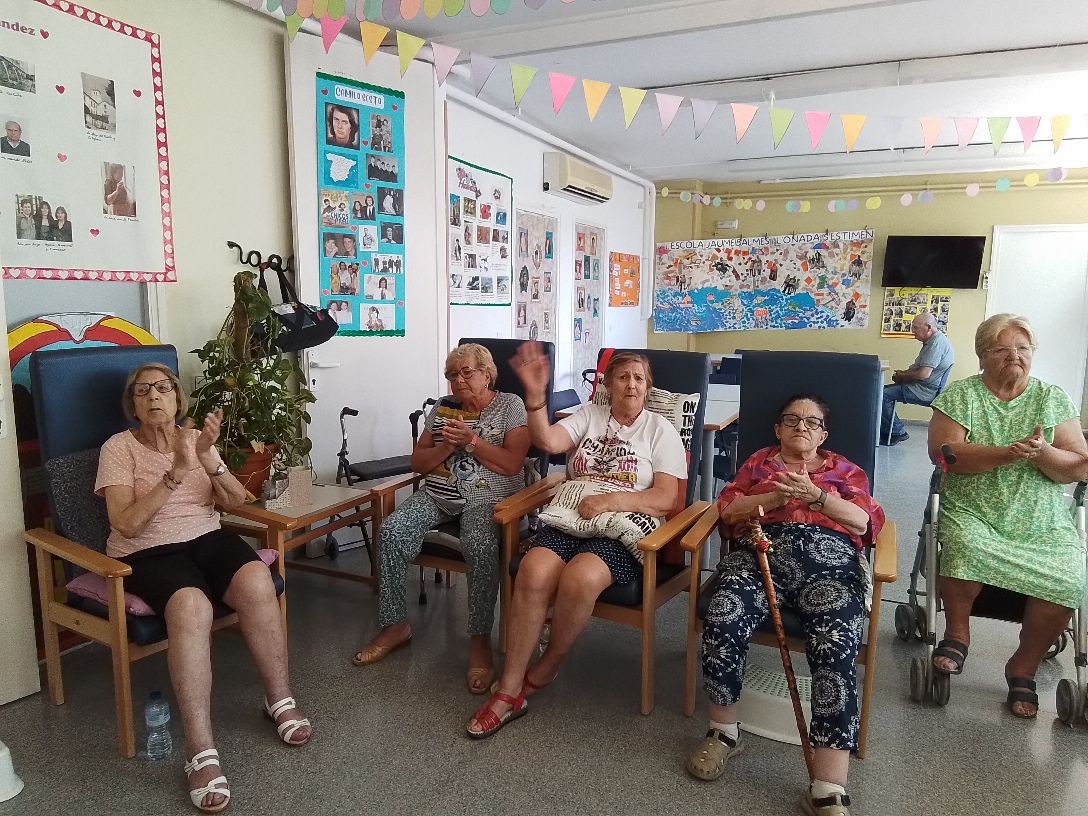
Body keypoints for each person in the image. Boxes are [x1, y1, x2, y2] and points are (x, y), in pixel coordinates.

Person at [95, 364, 311, 812]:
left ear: (178, 399)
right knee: (192, 607)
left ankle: (279, 698)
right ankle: (200, 750)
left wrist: (208, 457)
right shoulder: (118, 448)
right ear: (132, 405)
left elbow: (234, 502)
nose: (154, 396)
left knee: (256, 580)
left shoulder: (196, 439)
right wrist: (174, 472)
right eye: (142, 391)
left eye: (163, 388)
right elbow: (126, 524)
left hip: (207, 538)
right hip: (148, 551)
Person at [466, 344, 687, 738]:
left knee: (581, 578)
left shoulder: (660, 430)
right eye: (623, 377)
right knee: (533, 571)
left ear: (648, 386)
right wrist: (536, 398)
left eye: (639, 378)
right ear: (607, 385)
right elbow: (548, 442)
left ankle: (551, 660)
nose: (631, 385)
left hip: (623, 526)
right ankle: (509, 691)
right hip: (571, 515)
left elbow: (666, 498)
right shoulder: (591, 415)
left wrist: (609, 501)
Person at [685, 394, 884, 816]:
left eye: (812, 422)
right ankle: (723, 732)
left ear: (823, 435)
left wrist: (817, 497)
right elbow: (729, 512)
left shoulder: (845, 470)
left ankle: (828, 784)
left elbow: (864, 522)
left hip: (829, 563)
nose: (801, 427)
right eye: (792, 420)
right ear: (777, 429)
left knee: (835, 641)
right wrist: (772, 498)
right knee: (725, 614)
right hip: (760, 555)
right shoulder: (759, 463)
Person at [928, 313, 1088, 718]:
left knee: (1068, 573)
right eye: (1001, 349)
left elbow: (1079, 465)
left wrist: (1042, 453)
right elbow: (944, 454)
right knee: (965, 545)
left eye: (1022, 348)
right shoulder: (961, 395)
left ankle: (1023, 667)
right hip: (974, 508)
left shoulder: (1051, 397)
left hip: (1041, 519)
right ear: (982, 355)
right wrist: (1006, 453)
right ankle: (958, 634)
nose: (1014, 355)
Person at [353, 344, 529, 695]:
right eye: (451, 375)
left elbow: (512, 464)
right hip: (438, 493)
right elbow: (418, 463)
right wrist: (447, 447)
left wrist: (471, 441)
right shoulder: (443, 407)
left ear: (487, 374)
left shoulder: (511, 405)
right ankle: (395, 625)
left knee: (479, 543)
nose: (458, 380)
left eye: (466, 372)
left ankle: (479, 638)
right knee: (391, 532)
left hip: (488, 497)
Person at [881, 312, 954, 445]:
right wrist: (904, 373)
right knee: (881, 391)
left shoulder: (936, 344)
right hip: (922, 386)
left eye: (915, 328)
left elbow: (923, 375)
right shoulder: (936, 340)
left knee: (881, 395)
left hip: (924, 391)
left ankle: (897, 432)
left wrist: (904, 377)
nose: (912, 331)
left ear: (928, 327)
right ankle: (889, 430)